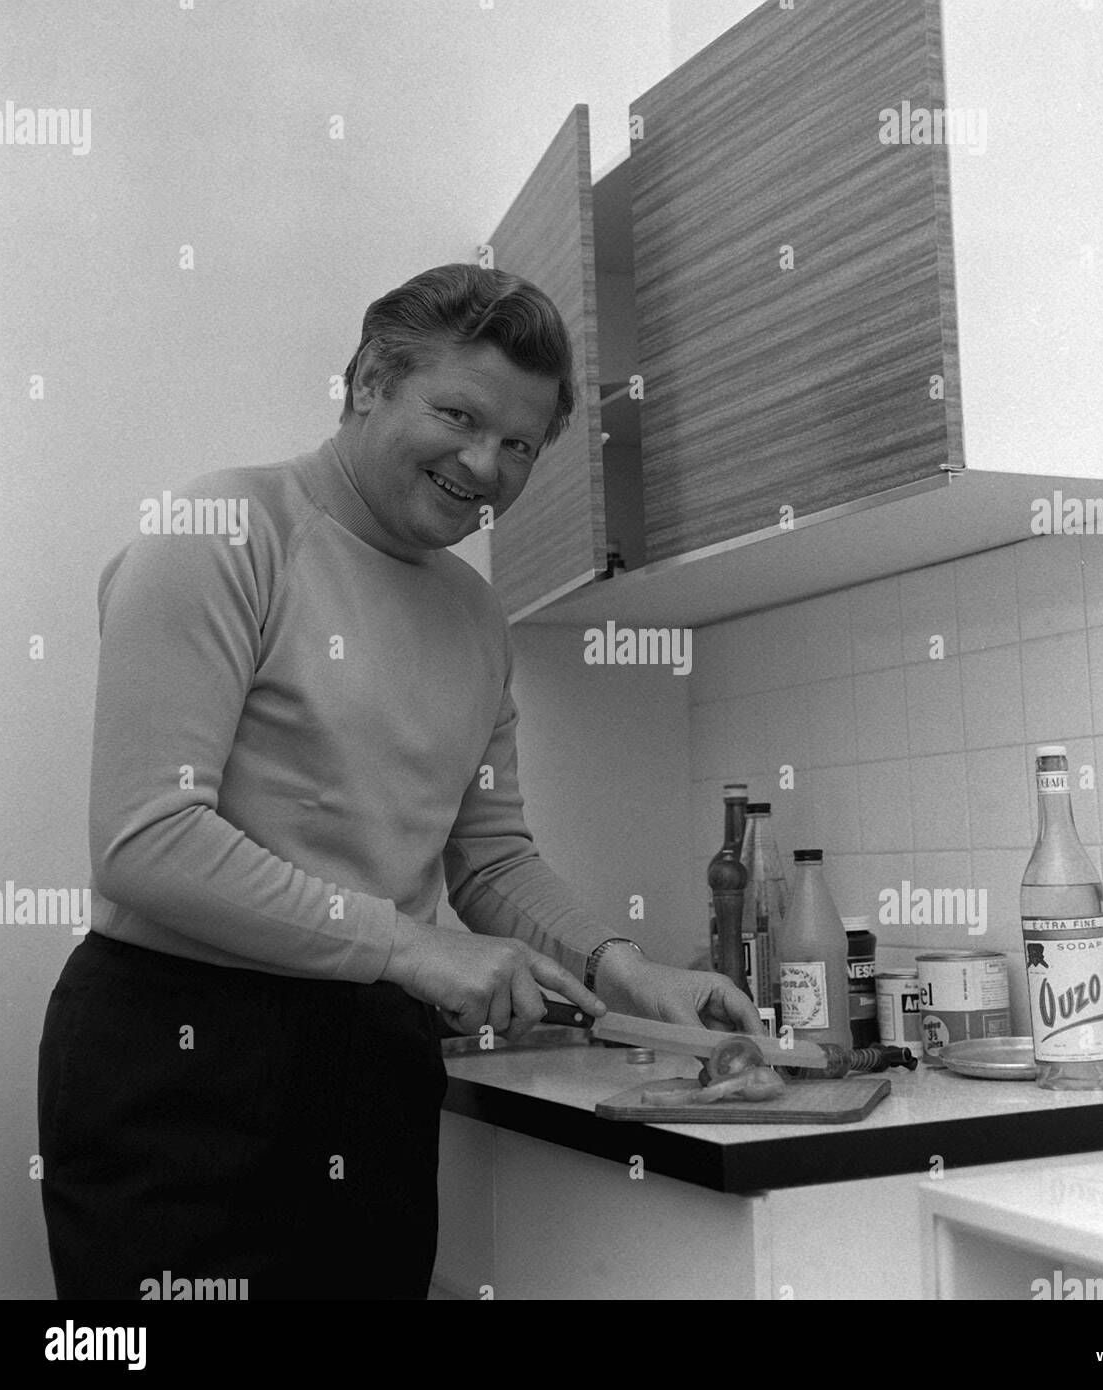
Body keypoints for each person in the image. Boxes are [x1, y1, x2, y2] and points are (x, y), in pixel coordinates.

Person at [37, 263, 760, 1300]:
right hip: (178, 1054)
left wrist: (619, 968)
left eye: (517, 444)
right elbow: (146, 836)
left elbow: (490, 852)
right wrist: (410, 946)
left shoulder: (474, 617)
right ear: (367, 381)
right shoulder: (220, 534)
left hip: (370, 1054)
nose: (484, 465)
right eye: (458, 415)